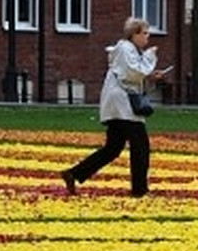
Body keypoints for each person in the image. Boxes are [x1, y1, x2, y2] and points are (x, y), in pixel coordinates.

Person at [61, 17, 169, 197]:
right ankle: (139, 190)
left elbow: (134, 75)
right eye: (144, 33)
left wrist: (149, 75)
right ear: (134, 34)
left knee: (112, 148)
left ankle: (75, 173)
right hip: (122, 105)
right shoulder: (125, 49)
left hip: (119, 105)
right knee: (140, 145)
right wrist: (150, 59)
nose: (147, 37)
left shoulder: (129, 50)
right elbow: (133, 73)